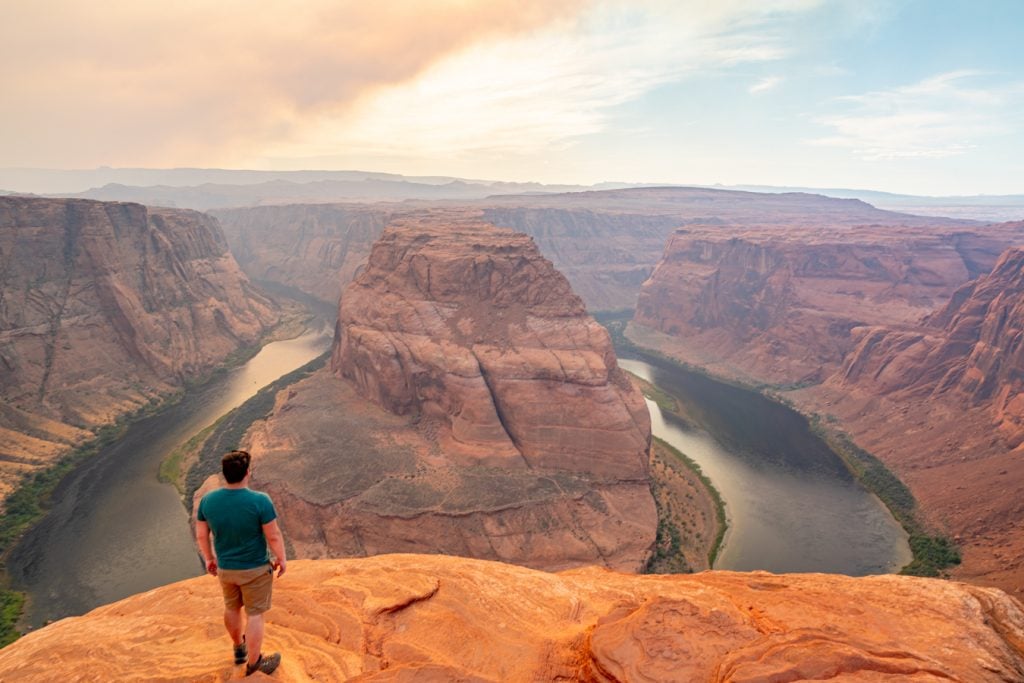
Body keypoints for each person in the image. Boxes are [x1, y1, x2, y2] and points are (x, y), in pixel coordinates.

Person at [196, 449, 287, 677]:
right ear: (248, 472)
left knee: (232, 607)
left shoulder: (208, 500)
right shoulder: (260, 500)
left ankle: (239, 649)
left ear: (224, 474)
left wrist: (209, 559)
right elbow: (273, 535)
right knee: (255, 614)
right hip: (255, 568)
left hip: (226, 569)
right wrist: (282, 558)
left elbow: (201, 535)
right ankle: (254, 663)